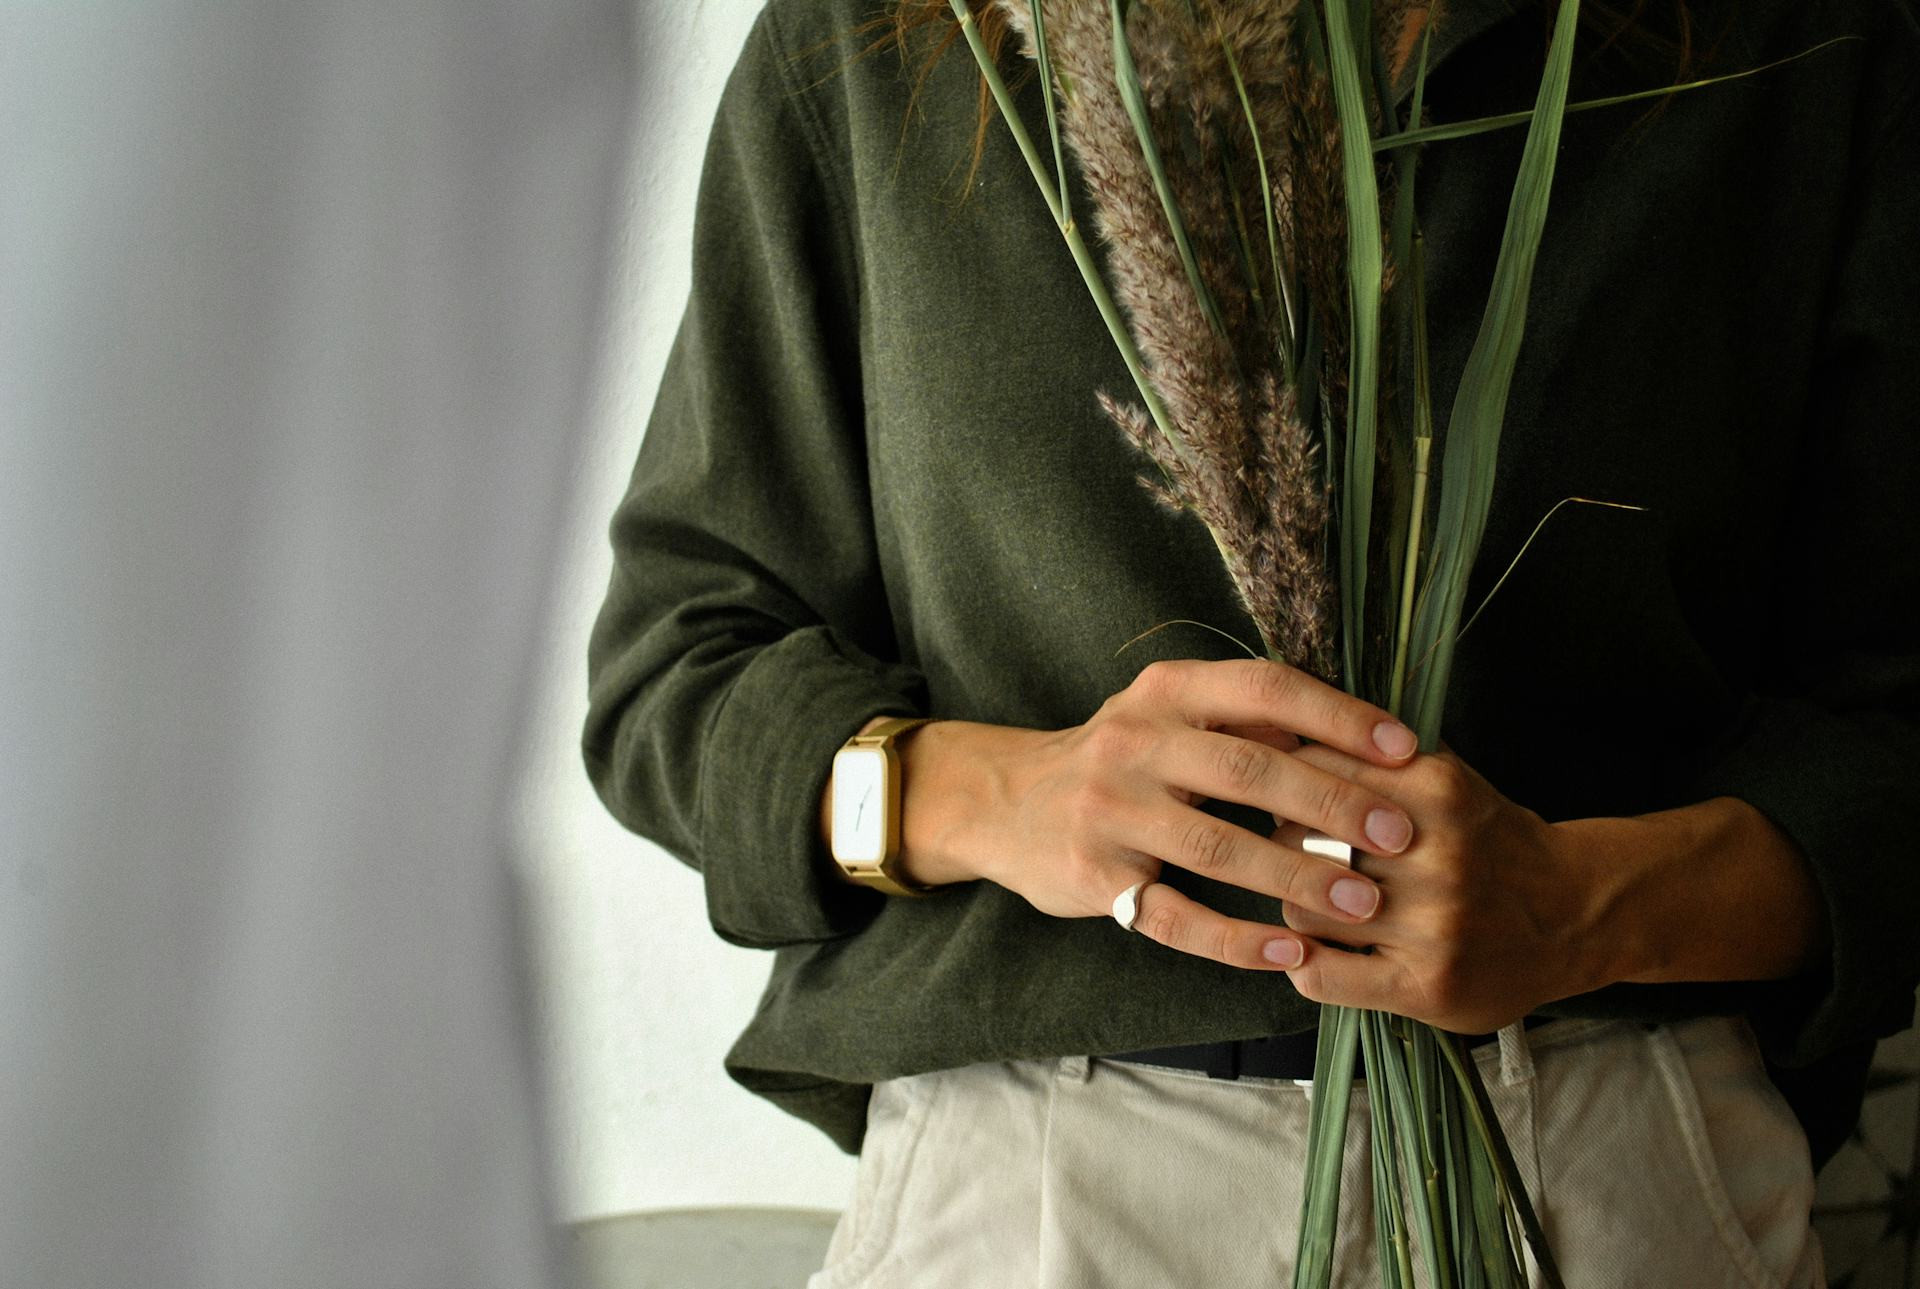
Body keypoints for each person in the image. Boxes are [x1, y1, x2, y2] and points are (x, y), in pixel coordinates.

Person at [583, 0, 1920, 1282]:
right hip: (1051, 1178)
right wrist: (994, 795)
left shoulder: (1791, 44)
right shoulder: (884, 45)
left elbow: (1894, 727)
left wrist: (1581, 905)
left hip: (1603, 1147)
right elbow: (678, 671)